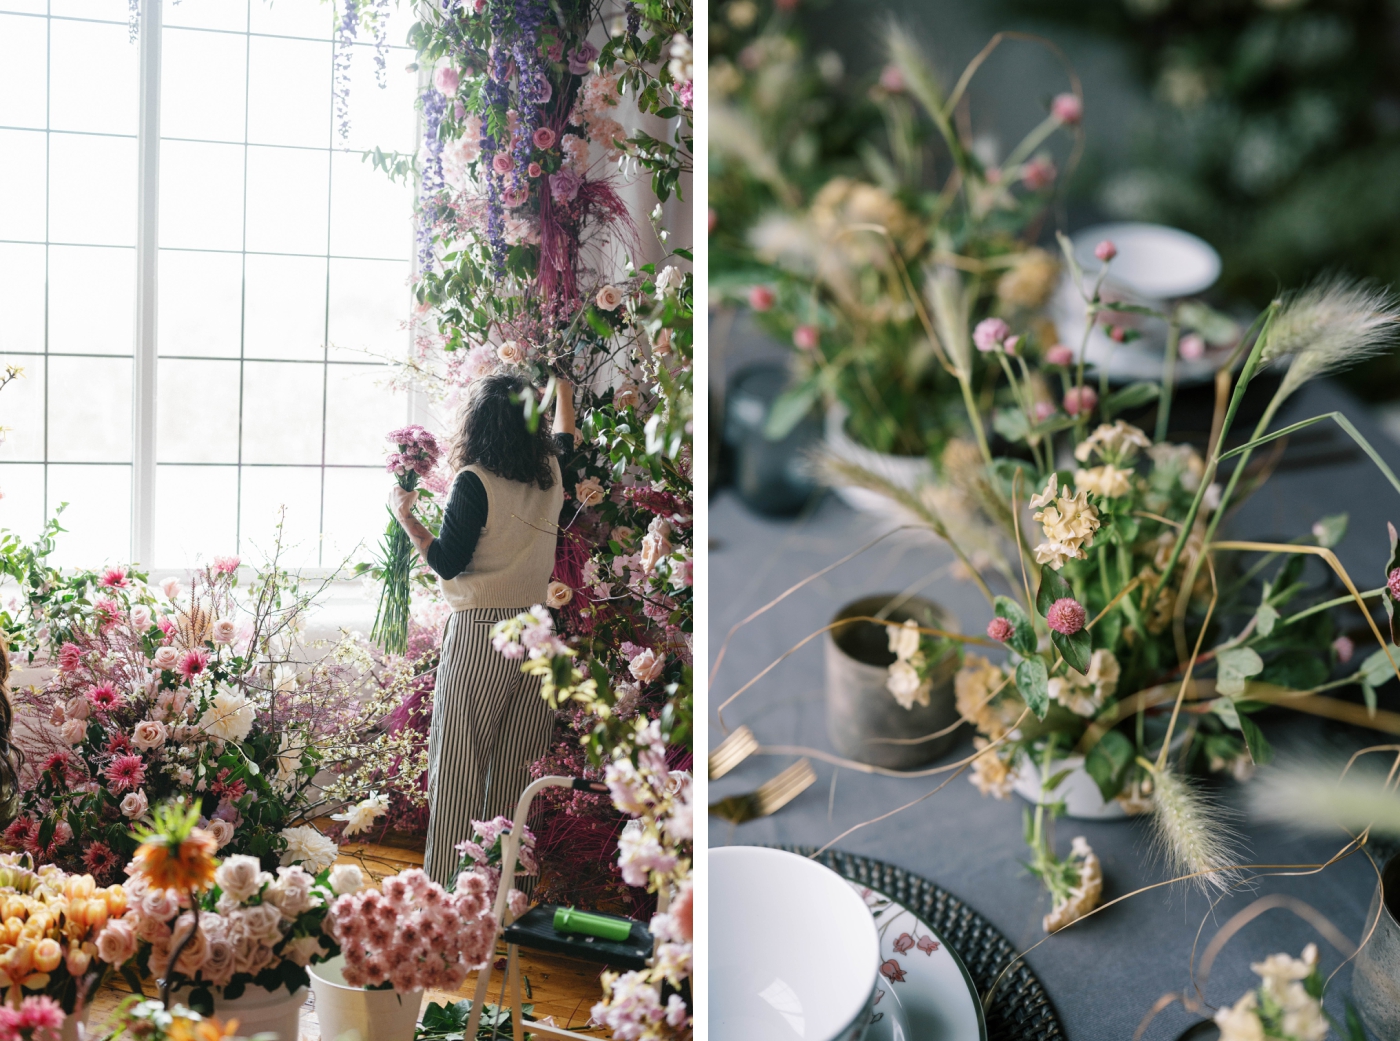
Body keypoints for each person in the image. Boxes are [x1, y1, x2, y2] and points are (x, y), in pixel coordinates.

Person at [391, 373, 576, 886]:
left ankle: (451, 896)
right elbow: (566, 437)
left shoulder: (475, 480)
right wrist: (560, 388)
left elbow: (448, 562)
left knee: (458, 761)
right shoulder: (551, 473)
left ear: (479, 426)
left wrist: (405, 518)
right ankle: (507, 896)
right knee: (521, 766)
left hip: (483, 632)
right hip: (540, 632)